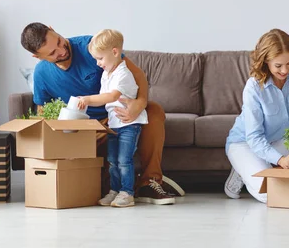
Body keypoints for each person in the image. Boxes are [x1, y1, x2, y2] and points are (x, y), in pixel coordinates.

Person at [20, 22, 179, 205]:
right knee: (98, 183)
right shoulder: (42, 74)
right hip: (86, 130)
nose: (61, 51)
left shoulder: (91, 47)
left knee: (154, 110)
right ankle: (120, 186)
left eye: (59, 42)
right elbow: (44, 114)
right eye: (52, 53)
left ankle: (149, 183)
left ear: (53, 28)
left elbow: (137, 74)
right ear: (37, 56)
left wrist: (140, 102)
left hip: (118, 116)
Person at [224, 29, 289, 203]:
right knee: (268, 194)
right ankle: (242, 168)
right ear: (266, 61)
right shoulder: (254, 87)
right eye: (278, 66)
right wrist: (279, 159)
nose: (285, 70)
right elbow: (254, 137)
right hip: (246, 144)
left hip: (277, 140)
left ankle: (268, 169)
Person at [76, 29, 148, 208]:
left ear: (115, 52)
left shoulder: (123, 74)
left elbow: (111, 96)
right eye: (96, 59)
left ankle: (127, 193)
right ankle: (115, 191)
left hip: (128, 124)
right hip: (114, 124)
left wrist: (87, 99)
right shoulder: (107, 74)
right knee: (112, 160)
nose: (98, 63)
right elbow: (105, 97)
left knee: (124, 160)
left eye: (100, 58)